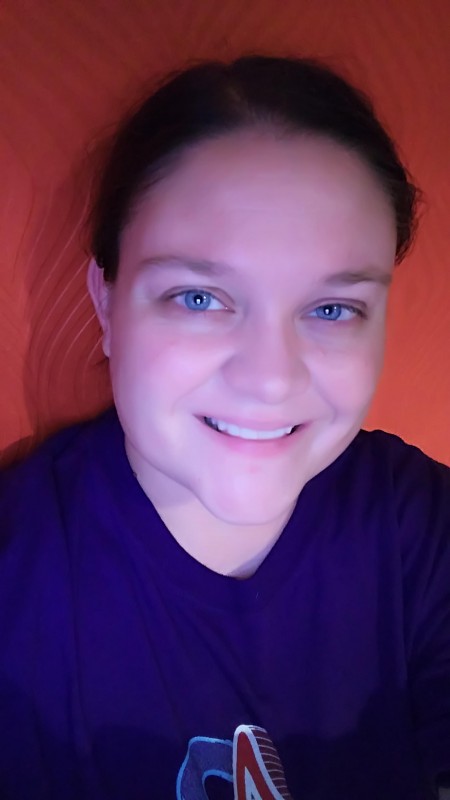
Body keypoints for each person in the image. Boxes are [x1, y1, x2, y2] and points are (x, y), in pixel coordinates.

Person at [0, 55, 449, 800]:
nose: (271, 379)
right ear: (106, 303)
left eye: (332, 309)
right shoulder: (18, 582)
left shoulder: (419, 528)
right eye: (199, 298)